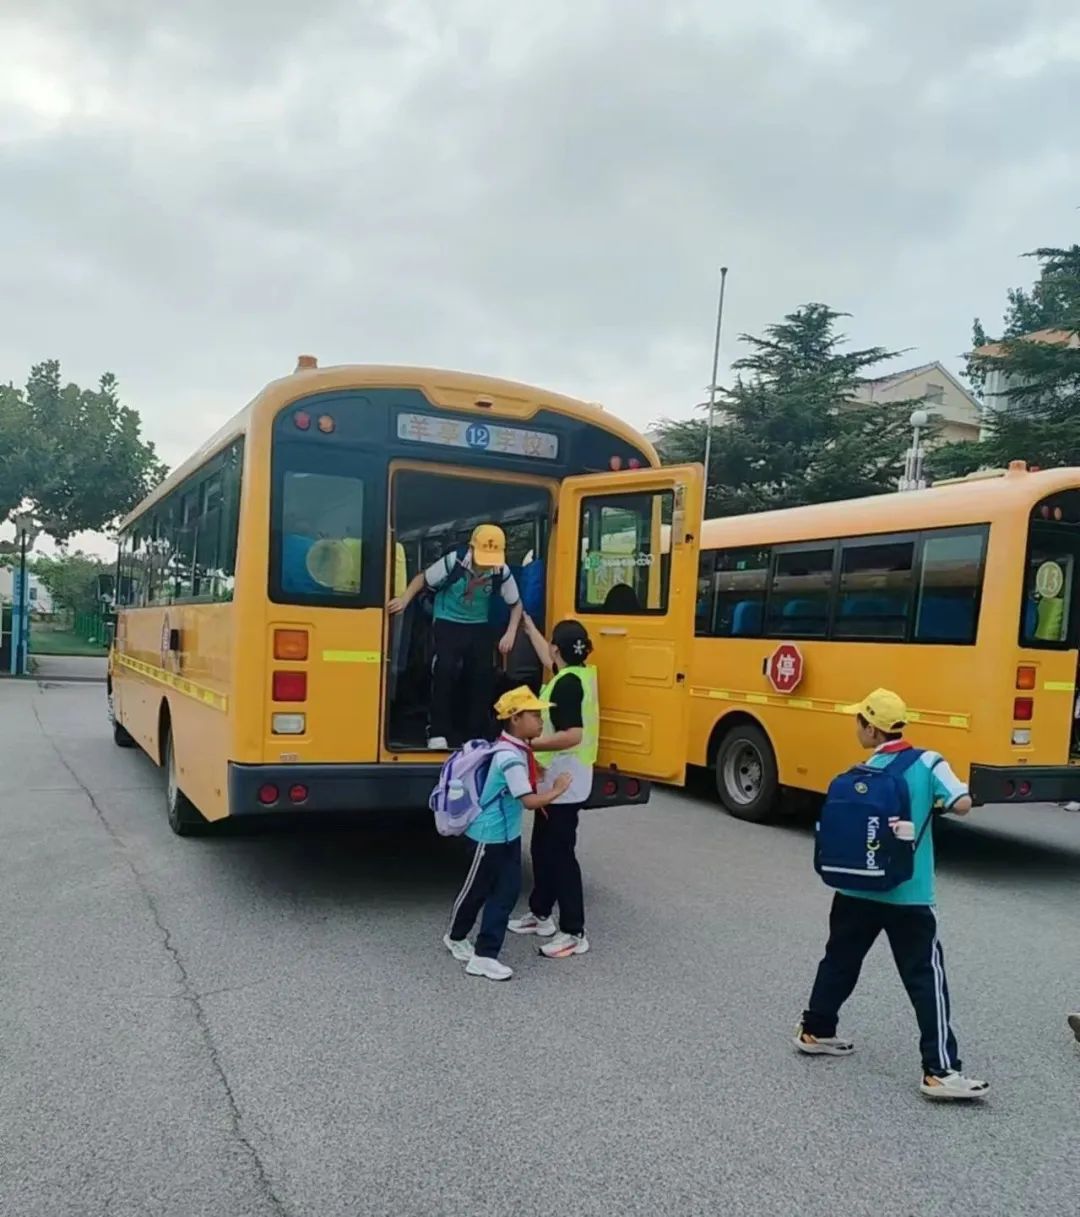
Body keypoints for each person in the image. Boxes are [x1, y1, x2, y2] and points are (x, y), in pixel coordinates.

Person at [796, 688, 990, 1101]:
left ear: (873, 728)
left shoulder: (864, 769)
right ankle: (939, 1070)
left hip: (854, 887)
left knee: (840, 960)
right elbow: (963, 803)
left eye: (859, 722)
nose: (856, 729)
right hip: (908, 894)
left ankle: (815, 1029)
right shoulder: (927, 762)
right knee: (925, 977)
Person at [443, 686, 572, 981]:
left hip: (506, 836)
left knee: (503, 892)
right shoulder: (509, 757)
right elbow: (528, 802)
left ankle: (475, 949)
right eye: (535, 715)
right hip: (488, 837)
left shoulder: (515, 749)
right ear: (514, 718)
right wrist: (558, 790)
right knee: (481, 892)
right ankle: (466, 943)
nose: (541, 720)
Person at [508, 618, 598, 959]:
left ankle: (574, 931)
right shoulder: (577, 673)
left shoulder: (566, 685)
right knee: (543, 848)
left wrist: (530, 744)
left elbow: (573, 734)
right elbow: (549, 658)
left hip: (565, 781)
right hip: (562, 778)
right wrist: (528, 626)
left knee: (560, 855)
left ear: (557, 649)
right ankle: (541, 914)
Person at [389, 524, 522, 748]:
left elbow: (515, 604)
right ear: (471, 548)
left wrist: (510, 633)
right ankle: (437, 731)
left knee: (481, 676)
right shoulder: (454, 562)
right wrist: (404, 600)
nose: (486, 563)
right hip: (447, 621)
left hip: (478, 625)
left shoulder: (501, 571)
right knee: (444, 670)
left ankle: (475, 734)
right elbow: (423, 579)